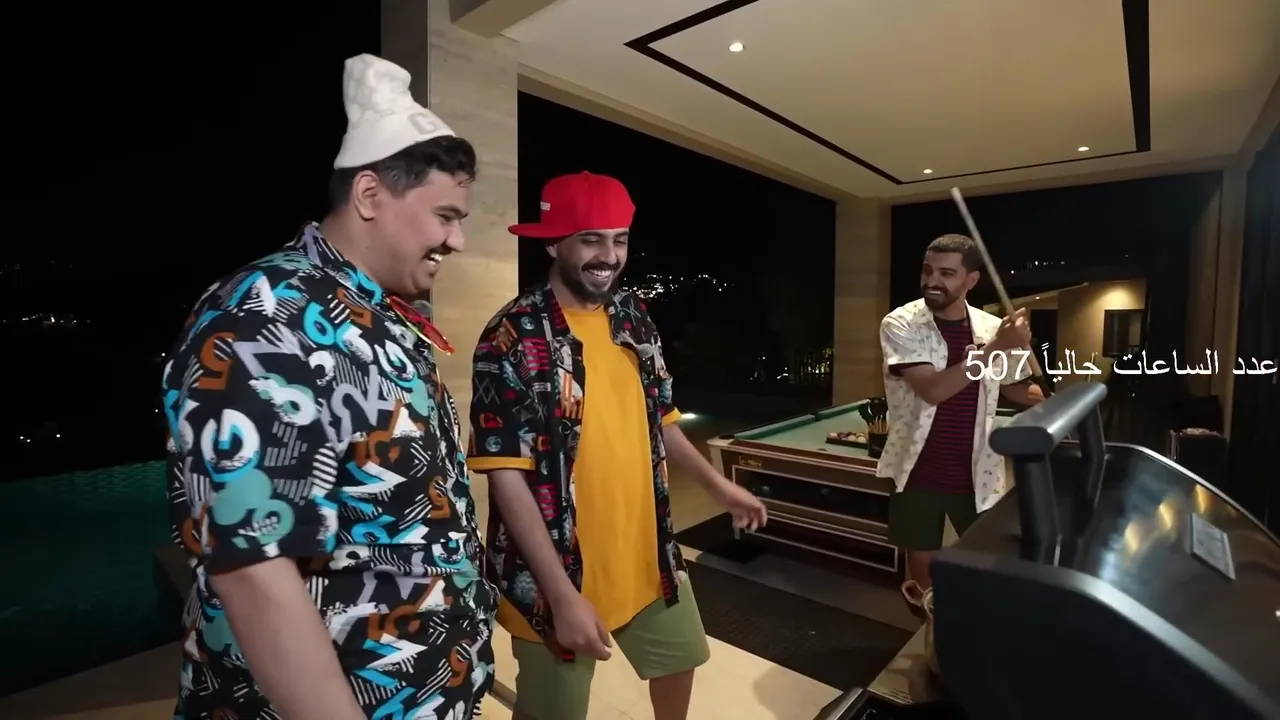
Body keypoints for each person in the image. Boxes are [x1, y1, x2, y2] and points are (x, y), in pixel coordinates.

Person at [162, 54, 496, 719]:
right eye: (445, 215)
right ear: (369, 195)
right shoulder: (265, 316)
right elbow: (253, 566)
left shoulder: (383, 316)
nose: (457, 240)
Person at [466, 172, 768, 720]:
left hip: (647, 555)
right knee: (554, 712)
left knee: (681, 660)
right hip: (555, 574)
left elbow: (662, 419)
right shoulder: (511, 336)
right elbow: (505, 477)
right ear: (553, 243)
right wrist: (562, 597)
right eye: (590, 239)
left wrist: (718, 486)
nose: (609, 256)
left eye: (619, 239)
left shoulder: (633, 315)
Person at [876, 234, 1043, 594]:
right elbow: (933, 390)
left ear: (971, 280)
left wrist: (1057, 400)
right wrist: (998, 347)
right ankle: (929, 622)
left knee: (985, 562)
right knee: (924, 565)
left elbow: (1015, 387)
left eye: (946, 273)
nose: (932, 281)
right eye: (928, 270)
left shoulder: (990, 327)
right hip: (917, 470)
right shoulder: (900, 324)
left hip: (978, 470)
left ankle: (972, 620)